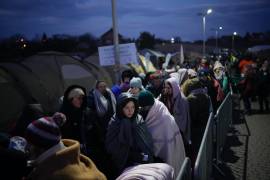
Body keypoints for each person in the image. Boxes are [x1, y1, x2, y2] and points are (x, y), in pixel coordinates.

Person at [25, 116, 107, 180]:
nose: (27, 147)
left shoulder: (49, 175)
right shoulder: (75, 156)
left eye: (29, 143)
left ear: (38, 146)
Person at [105, 92, 154, 176]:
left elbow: (147, 141)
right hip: (124, 163)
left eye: (133, 107)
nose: (130, 110)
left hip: (141, 161)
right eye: (127, 107)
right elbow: (110, 146)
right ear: (120, 108)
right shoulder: (114, 123)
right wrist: (129, 154)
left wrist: (143, 155)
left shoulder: (139, 119)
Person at [138, 90, 186, 174]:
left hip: (165, 157)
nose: (142, 110)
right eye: (141, 107)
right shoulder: (156, 107)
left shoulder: (162, 118)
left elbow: (162, 146)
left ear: (150, 105)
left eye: (144, 108)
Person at [159, 77, 191, 145]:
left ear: (174, 87)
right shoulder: (166, 97)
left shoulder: (182, 100)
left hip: (179, 130)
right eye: (166, 87)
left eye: (169, 88)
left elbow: (183, 118)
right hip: (169, 129)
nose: (167, 90)